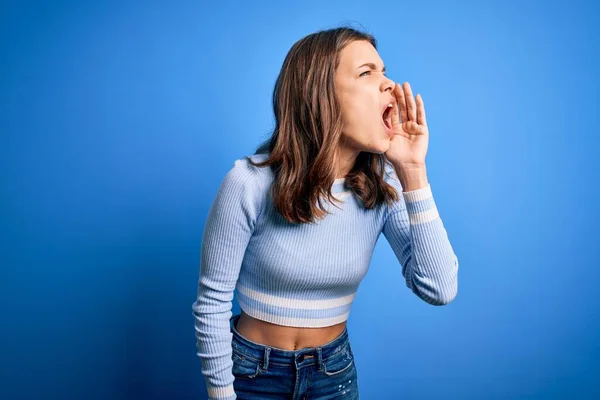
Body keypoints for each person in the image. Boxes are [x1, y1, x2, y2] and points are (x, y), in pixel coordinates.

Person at [191, 25, 459, 400]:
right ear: (320, 95)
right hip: (252, 374)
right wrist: (221, 395)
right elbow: (212, 304)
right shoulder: (248, 182)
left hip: (333, 374)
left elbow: (439, 288)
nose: (389, 84)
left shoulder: (384, 186)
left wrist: (413, 171)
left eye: (384, 71)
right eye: (367, 73)